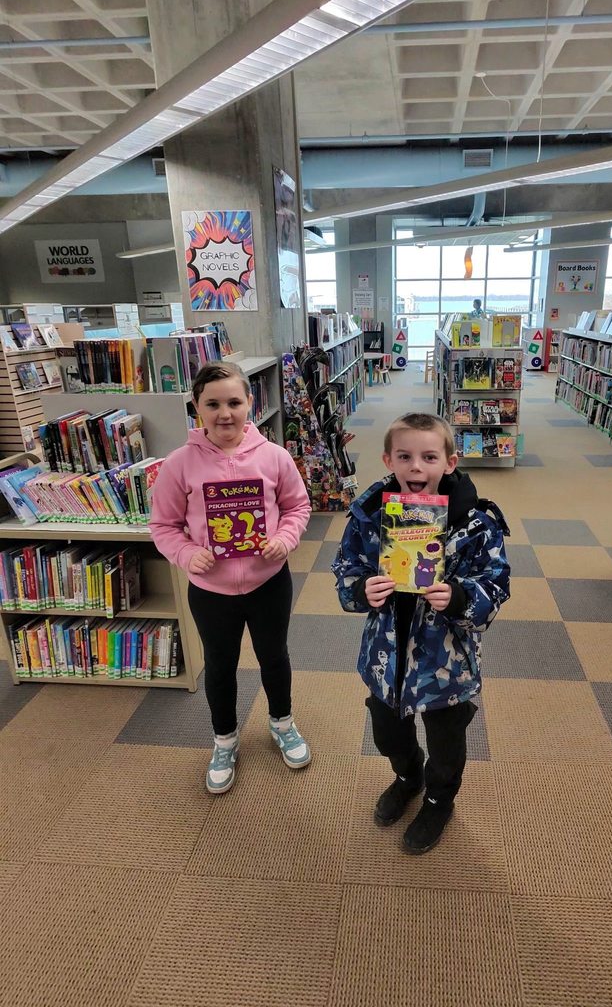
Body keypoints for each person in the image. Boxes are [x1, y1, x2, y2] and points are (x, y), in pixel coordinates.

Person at [331, 413, 510, 854]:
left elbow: (496, 582)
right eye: (405, 456)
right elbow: (346, 570)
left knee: (447, 742)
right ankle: (408, 777)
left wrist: (461, 597)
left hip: (445, 662)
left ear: (449, 463)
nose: (416, 467)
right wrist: (361, 590)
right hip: (385, 657)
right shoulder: (370, 517)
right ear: (388, 459)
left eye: (429, 457)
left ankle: (437, 799)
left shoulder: (475, 524)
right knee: (388, 732)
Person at [150, 361, 312, 794]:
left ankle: (282, 723)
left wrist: (284, 537)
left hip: (268, 583)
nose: (225, 413)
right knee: (219, 666)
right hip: (211, 590)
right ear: (196, 408)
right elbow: (163, 525)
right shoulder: (179, 464)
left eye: (234, 402)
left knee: (274, 656)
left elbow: (298, 507)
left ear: (250, 404)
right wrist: (186, 553)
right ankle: (224, 740)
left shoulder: (275, 456)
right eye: (213, 404)